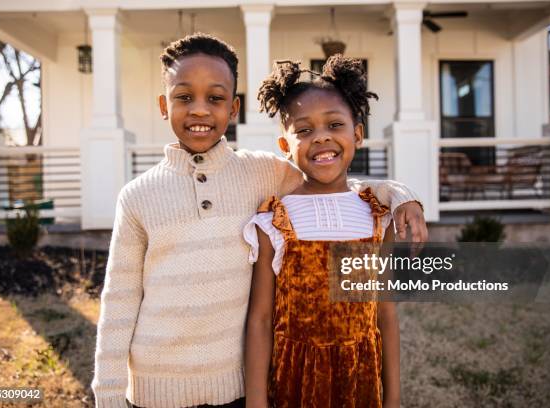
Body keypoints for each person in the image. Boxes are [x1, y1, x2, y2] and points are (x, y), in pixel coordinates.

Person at [91, 33, 418, 408]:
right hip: (154, 392)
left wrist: (398, 194)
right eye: (184, 97)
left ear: (233, 109)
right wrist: (109, 396)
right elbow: (118, 302)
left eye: (215, 98)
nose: (199, 110)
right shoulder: (137, 196)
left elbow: (333, 183)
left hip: (235, 389)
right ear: (164, 106)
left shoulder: (261, 173)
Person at [244, 56, 400, 408]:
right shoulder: (276, 219)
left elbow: (385, 315)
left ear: (357, 134)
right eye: (304, 130)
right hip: (294, 381)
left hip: (360, 377)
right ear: (285, 147)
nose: (321, 138)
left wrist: (393, 399)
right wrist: (256, 402)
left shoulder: (378, 217)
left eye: (334, 124)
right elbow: (260, 319)